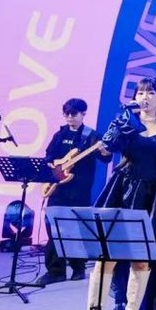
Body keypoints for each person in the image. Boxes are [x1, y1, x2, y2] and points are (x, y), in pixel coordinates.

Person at [71, 77, 156, 310]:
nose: (144, 97)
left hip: (153, 198)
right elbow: (107, 150)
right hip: (123, 191)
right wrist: (118, 124)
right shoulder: (126, 121)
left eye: (150, 92)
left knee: (141, 260)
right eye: (140, 92)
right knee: (105, 259)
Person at [39, 98, 110, 286]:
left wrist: (104, 151)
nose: (70, 117)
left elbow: (105, 158)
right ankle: (55, 271)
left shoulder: (92, 136)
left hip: (79, 189)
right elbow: (49, 156)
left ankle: (78, 267)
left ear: (83, 114)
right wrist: (53, 165)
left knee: (77, 228)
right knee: (53, 227)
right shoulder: (59, 134)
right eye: (67, 114)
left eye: (74, 114)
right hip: (58, 188)